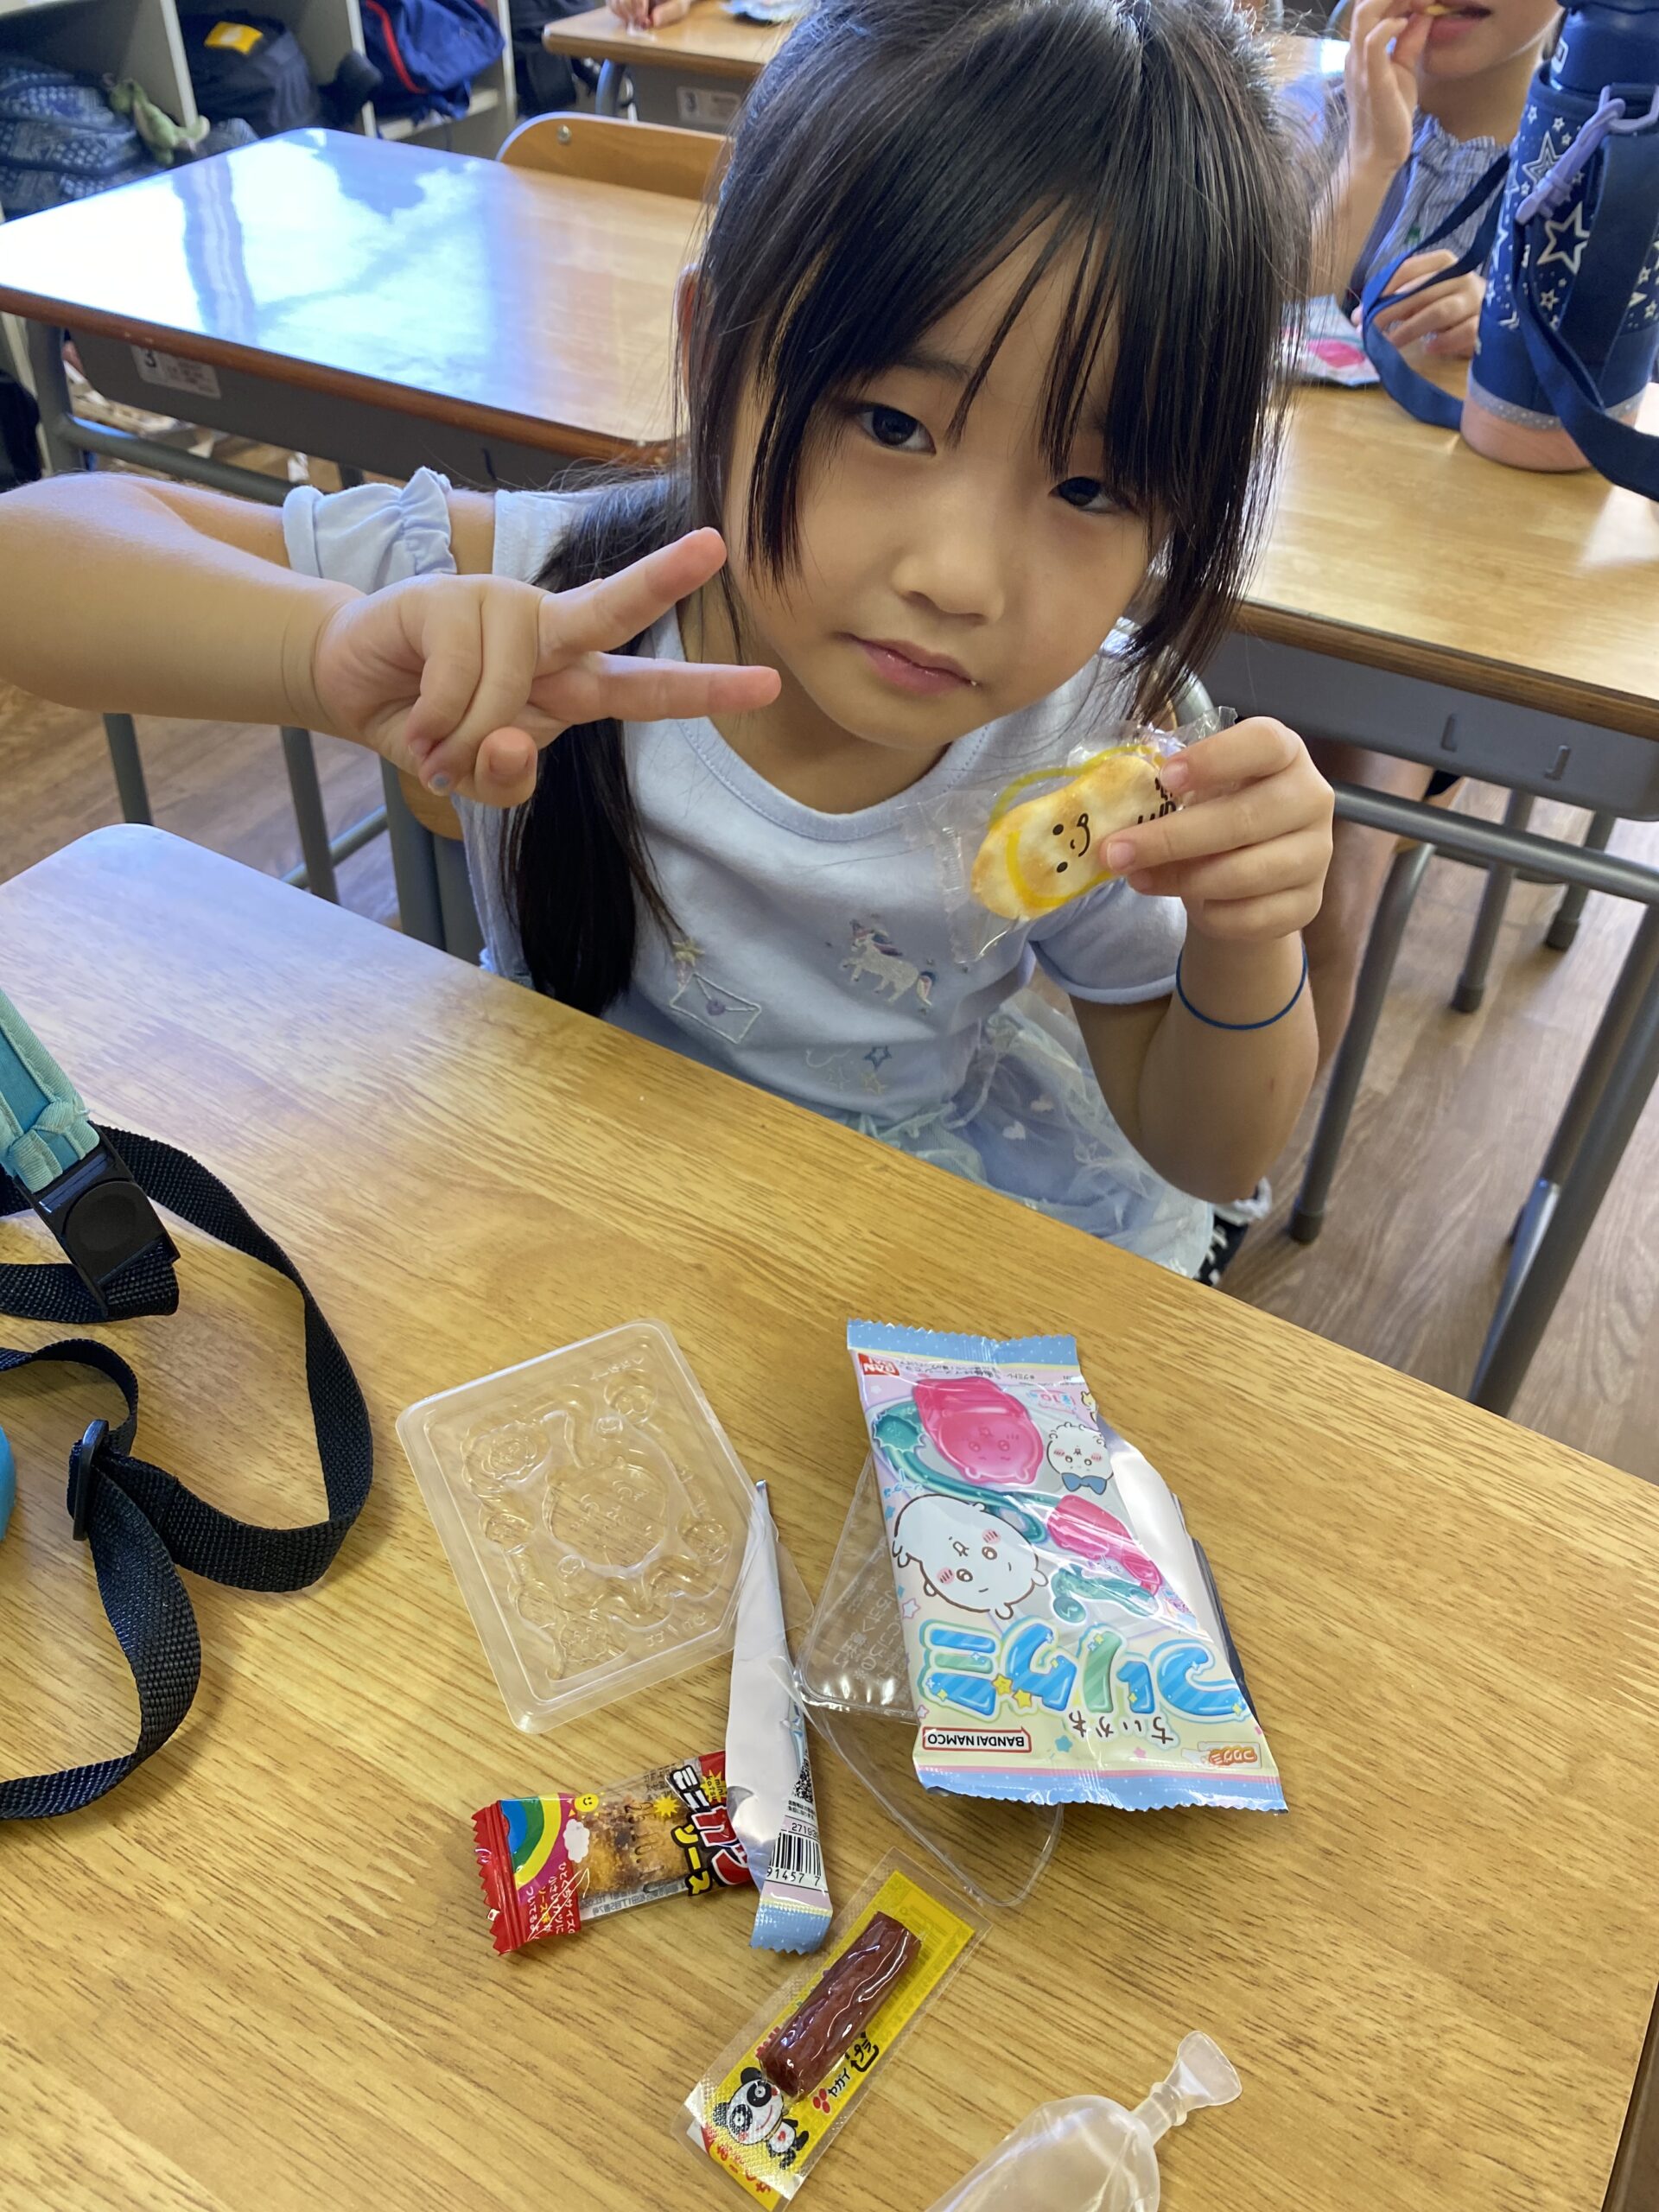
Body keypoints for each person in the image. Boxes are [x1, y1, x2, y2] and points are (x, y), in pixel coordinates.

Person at [0, 0, 1332, 1282]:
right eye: (890, 423)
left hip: (875, 1243)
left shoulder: (1092, 747)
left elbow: (1208, 1149)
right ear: (713, 352)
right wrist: (322, 647)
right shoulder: (536, 591)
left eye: (1089, 490)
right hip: (555, 1200)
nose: (960, 579)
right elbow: (37, 552)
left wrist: (1246, 935)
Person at [1293, 0, 1560, 1057]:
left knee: (1319, 888)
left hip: (1432, 619)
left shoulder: (1610, 161)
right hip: (1256, 560)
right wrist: (1369, 164)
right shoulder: (1300, 112)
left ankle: (1239, 1145)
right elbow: (1233, 313)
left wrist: (1514, 328)